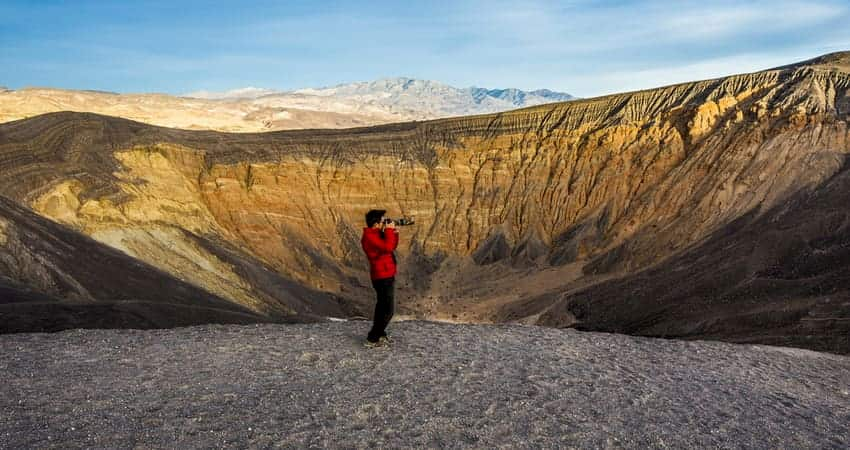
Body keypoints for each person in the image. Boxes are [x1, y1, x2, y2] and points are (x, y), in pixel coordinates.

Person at [361, 209, 399, 347]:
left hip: (386, 273)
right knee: (388, 310)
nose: (385, 223)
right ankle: (372, 338)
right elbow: (388, 247)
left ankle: (380, 333)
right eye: (383, 221)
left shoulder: (377, 234)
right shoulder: (370, 236)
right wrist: (389, 231)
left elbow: (392, 246)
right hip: (382, 276)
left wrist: (394, 232)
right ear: (376, 224)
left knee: (381, 307)